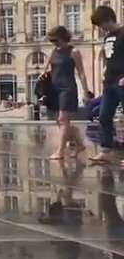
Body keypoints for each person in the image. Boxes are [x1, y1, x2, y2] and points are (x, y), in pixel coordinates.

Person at [45, 25, 91, 159]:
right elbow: (48, 71)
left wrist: (86, 91)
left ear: (63, 37)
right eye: (52, 41)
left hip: (67, 88)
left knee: (62, 120)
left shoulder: (74, 52)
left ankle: (60, 151)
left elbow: (81, 73)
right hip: (54, 89)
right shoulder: (54, 52)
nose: (54, 43)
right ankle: (80, 144)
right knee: (60, 122)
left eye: (56, 40)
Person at [91, 5, 124, 163]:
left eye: (101, 24)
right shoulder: (107, 37)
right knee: (104, 116)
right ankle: (106, 151)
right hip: (109, 82)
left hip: (122, 81)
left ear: (108, 20)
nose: (101, 28)